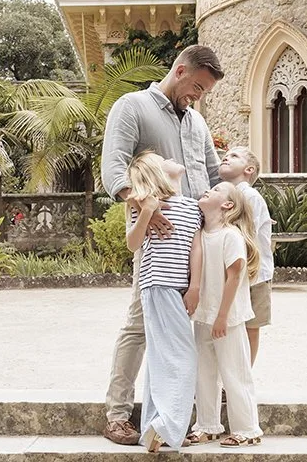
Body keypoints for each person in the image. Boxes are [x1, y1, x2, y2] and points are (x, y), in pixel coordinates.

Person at [99, 44, 226, 446]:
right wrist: (142, 208)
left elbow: (210, 173)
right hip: (153, 236)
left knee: (182, 329)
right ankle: (118, 415)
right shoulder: (132, 106)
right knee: (139, 323)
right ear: (181, 69)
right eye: (198, 87)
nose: (199, 96)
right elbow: (114, 166)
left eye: (205, 92)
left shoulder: (197, 123)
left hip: (194, 237)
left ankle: (168, 419)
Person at [124, 152, 203, 453]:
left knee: (162, 358)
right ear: (155, 171)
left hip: (177, 287)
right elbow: (133, 244)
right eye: (161, 157)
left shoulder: (191, 206)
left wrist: (194, 286)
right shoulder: (141, 205)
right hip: (157, 285)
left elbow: (196, 248)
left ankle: (157, 428)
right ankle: (168, 425)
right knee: (183, 357)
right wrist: (147, 211)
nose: (170, 156)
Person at [185, 181, 263, 448]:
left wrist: (222, 316)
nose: (209, 190)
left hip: (227, 317)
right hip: (204, 315)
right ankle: (207, 424)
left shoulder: (230, 235)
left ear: (227, 205)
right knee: (204, 372)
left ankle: (248, 428)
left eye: (217, 190)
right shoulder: (200, 234)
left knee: (234, 372)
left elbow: (234, 275)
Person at [218, 146, 273, 362]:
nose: (226, 157)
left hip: (253, 274)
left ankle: (242, 377)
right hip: (234, 273)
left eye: (234, 156)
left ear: (249, 169)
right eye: (225, 155)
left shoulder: (249, 196)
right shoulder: (221, 194)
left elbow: (244, 233)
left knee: (251, 326)